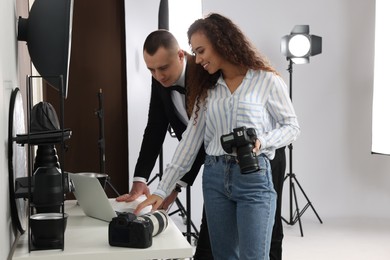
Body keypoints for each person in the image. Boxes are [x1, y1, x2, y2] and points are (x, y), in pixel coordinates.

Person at [135, 13, 300, 260]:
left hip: (254, 177)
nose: (198, 59)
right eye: (195, 52)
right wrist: (162, 189)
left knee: (254, 256)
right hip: (214, 179)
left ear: (222, 42)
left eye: (201, 51)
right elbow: (189, 143)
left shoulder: (267, 80)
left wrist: (263, 141)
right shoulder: (207, 89)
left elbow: (292, 126)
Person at [116, 29, 217, 259]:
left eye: (163, 68)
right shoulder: (160, 80)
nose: (158, 76)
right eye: (151, 69)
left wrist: (174, 186)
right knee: (208, 245)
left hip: (224, 156)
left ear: (181, 55)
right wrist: (140, 179)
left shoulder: (205, 72)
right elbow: (154, 129)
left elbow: (199, 140)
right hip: (203, 160)